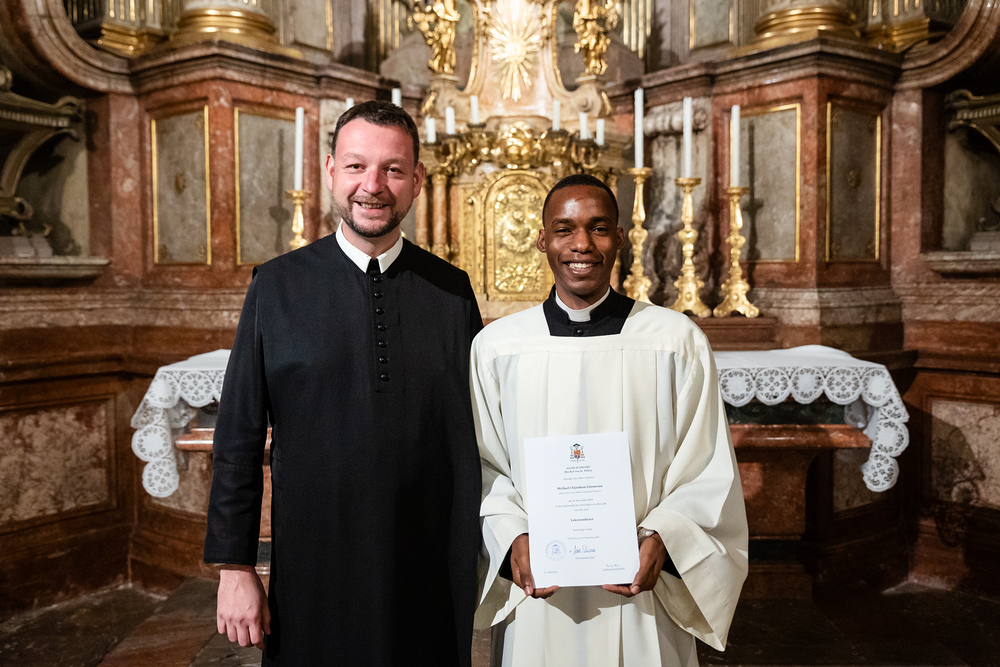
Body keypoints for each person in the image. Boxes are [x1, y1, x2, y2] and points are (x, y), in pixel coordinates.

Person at [205, 100, 483, 666]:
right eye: (356, 166)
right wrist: (235, 567)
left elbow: (482, 436)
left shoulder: (452, 292)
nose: (372, 186)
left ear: (417, 181)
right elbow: (237, 436)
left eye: (392, 169)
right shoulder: (276, 286)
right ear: (331, 171)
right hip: (315, 566)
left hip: (427, 567)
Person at [471, 173, 748, 666]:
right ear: (542, 240)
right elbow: (483, 464)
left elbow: (707, 467)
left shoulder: (674, 341)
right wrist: (513, 536)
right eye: (564, 229)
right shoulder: (498, 348)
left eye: (598, 228)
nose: (582, 244)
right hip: (539, 591)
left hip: (642, 593)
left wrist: (664, 536)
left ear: (620, 238)